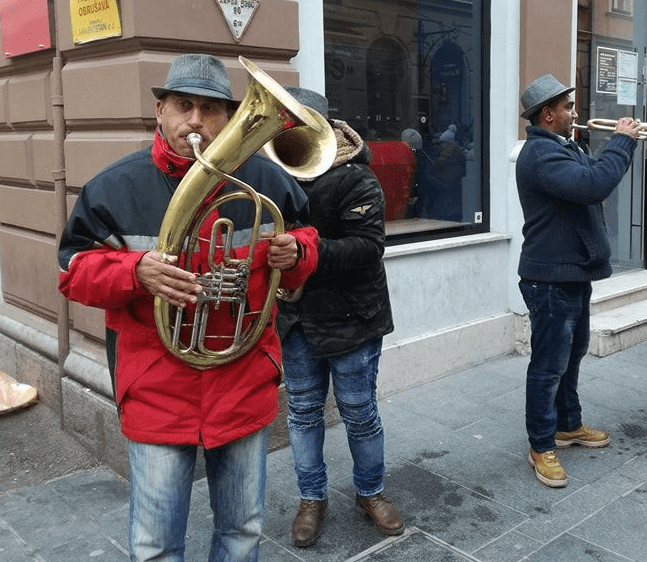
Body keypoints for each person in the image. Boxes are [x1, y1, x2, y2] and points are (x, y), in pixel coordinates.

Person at [57, 54, 321, 562]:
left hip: (242, 378)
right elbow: (73, 274)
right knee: (155, 544)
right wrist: (135, 272)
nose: (195, 121)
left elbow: (306, 238)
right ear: (160, 111)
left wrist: (299, 253)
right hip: (157, 386)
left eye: (210, 109)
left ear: (229, 117)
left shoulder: (267, 180)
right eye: (183, 106)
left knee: (243, 530)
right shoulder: (114, 187)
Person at [275, 87, 403, 547]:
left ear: (321, 127)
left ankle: (370, 492)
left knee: (360, 413)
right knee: (304, 413)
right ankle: (312, 499)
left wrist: (307, 251)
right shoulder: (269, 175)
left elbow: (370, 248)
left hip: (352, 318)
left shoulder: (356, 177)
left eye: (294, 124)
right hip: (295, 319)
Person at [515, 73, 640, 488]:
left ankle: (567, 425)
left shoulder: (563, 147)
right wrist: (622, 141)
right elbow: (594, 184)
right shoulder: (539, 154)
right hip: (549, 276)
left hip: (570, 271)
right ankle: (540, 444)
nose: (575, 112)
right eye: (568, 107)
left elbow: (590, 179)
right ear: (548, 114)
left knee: (572, 354)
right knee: (548, 365)